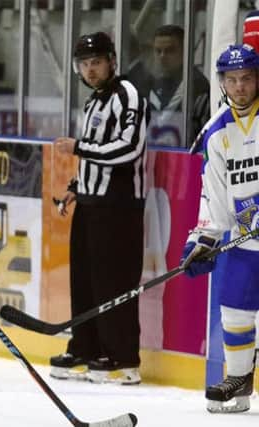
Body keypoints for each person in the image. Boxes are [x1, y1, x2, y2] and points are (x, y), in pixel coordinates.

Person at [49, 32, 149, 385]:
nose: (91, 70)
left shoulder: (128, 95)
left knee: (115, 282)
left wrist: (78, 148)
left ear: (112, 61)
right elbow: (94, 153)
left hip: (119, 207)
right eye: (85, 64)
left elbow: (129, 147)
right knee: (85, 282)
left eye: (97, 62)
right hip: (91, 204)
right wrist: (77, 187)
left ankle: (123, 360)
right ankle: (86, 348)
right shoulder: (93, 102)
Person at [179, 44, 259, 414]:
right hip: (245, 243)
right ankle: (240, 384)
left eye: (246, 78)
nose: (240, 86)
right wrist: (203, 239)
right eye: (232, 80)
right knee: (234, 309)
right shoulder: (216, 130)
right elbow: (212, 195)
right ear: (223, 84)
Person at [142, 25, 210, 147]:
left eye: (170, 50)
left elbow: (206, 133)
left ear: (185, 52)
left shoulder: (197, 85)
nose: (162, 56)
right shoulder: (151, 83)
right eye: (158, 51)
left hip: (186, 158)